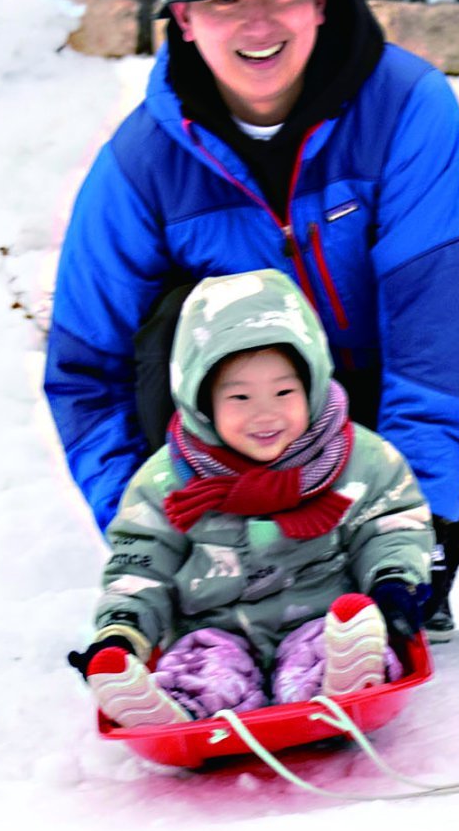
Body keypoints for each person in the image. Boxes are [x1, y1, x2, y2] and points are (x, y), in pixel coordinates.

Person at [45, 0, 459, 636]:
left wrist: (409, 538)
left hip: (376, 400)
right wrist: (145, 538)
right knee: (175, 331)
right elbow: (86, 369)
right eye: (225, 1)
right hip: (238, 442)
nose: (258, 22)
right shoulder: (141, 163)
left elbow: (429, 336)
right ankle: (227, 586)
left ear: (320, 2)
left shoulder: (406, 106)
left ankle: (413, 575)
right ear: (185, 20)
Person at [75, 269, 434, 728]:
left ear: (313, 386)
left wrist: (393, 583)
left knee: (333, 641)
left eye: (284, 392)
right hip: (217, 630)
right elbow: (140, 563)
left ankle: (342, 686)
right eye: (240, 397)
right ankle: (173, 713)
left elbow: (392, 523)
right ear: (202, 402)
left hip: (324, 617)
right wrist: (122, 632)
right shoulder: (167, 481)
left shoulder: (357, 459)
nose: (265, 413)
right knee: (202, 669)